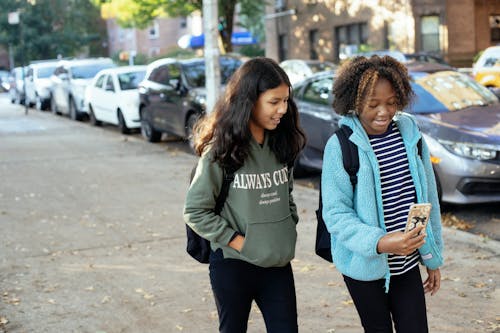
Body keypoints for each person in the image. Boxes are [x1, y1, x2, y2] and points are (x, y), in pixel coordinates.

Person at [321, 55, 444, 333]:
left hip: (408, 262)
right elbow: (337, 215)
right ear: (353, 101)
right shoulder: (340, 146)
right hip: (364, 269)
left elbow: (428, 201)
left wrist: (432, 258)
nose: (383, 112)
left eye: (391, 103)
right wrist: (382, 242)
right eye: (372, 104)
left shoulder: (410, 137)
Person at [183, 57, 306, 333]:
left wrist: (286, 227)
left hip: (277, 264)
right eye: (274, 102)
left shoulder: (282, 144)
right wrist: (239, 242)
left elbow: (286, 195)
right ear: (249, 100)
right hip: (233, 265)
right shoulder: (221, 151)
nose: (282, 110)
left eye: (286, 101)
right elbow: (195, 211)